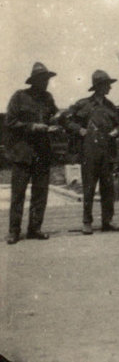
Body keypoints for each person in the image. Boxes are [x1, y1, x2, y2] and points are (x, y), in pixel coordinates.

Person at [5, 62, 61, 244]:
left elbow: (55, 115)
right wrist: (33, 127)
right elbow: (10, 122)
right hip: (22, 154)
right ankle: (14, 231)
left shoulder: (48, 98)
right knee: (18, 194)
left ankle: (35, 229)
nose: (46, 83)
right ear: (34, 80)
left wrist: (59, 119)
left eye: (47, 79)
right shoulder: (19, 97)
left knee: (40, 193)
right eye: (42, 79)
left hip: (42, 154)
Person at [64, 69, 119, 235]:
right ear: (99, 86)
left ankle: (107, 221)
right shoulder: (83, 105)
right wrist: (79, 130)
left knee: (108, 188)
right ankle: (87, 222)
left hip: (107, 152)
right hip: (89, 152)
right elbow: (64, 120)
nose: (110, 88)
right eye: (107, 85)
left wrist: (116, 131)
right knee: (89, 188)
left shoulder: (110, 106)